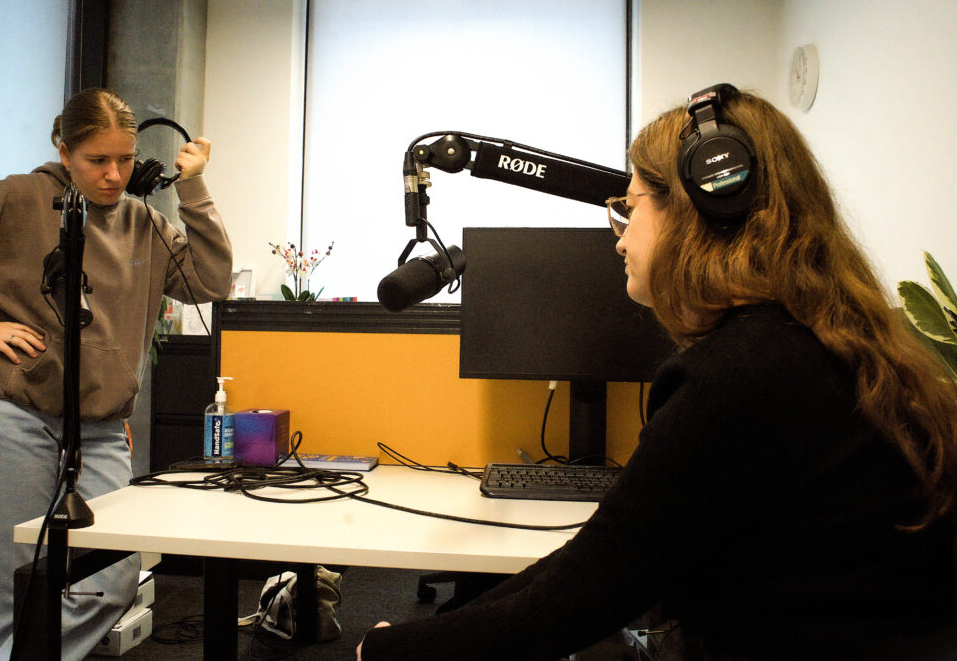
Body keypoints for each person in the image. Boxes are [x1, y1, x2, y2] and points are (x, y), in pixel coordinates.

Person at [357, 85, 957, 660]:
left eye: (629, 207)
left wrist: (389, 649)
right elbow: (601, 561)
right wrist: (443, 633)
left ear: (702, 210)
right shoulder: (827, 344)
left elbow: (584, 596)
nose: (618, 240)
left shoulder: (736, 377)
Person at [0, 88, 233, 660]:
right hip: (8, 415)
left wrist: (192, 186)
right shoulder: (13, 200)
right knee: (13, 588)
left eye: (125, 159)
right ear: (64, 149)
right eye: (98, 160)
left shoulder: (144, 221)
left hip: (97, 429)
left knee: (113, 578)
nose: (114, 175)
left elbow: (208, 283)